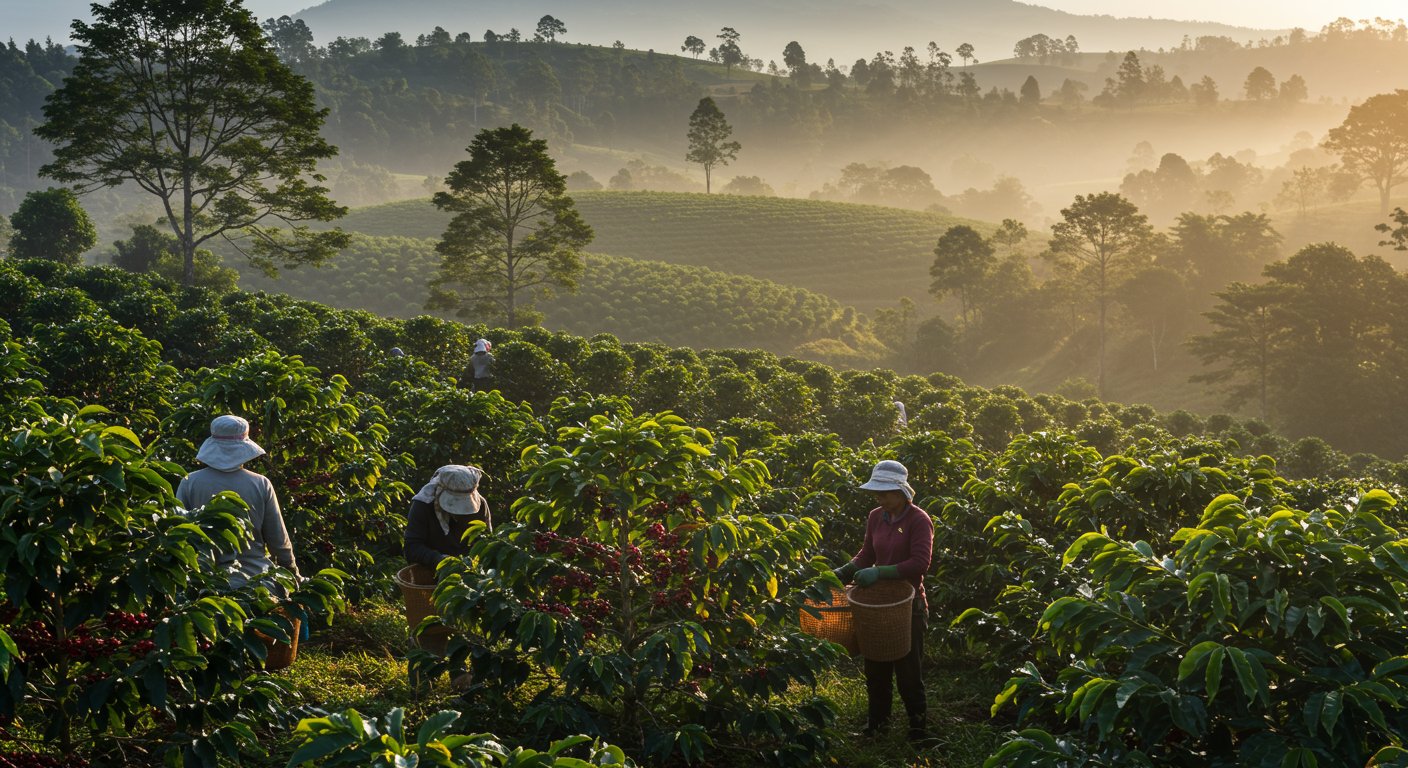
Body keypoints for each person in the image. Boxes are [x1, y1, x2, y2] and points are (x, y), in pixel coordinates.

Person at [833, 459, 934, 741]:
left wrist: (880, 572)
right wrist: (844, 571)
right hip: (877, 606)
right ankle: (877, 725)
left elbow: (920, 563)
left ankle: (918, 727)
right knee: (876, 668)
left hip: (907, 606)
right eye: (877, 492)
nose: (880, 497)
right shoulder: (876, 516)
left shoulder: (918, 520)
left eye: (885, 492)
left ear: (902, 492)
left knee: (908, 672)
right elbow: (866, 554)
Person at [176, 415, 300, 590]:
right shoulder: (260, 483)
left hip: (206, 584)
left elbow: (178, 534)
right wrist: (292, 572)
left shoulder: (190, 482)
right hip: (257, 584)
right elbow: (278, 541)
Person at [403, 465, 492, 568]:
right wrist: (439, 559)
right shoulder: (423, 504)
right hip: (431, 570)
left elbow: (485, 542)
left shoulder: (479, 504)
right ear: (441, 491)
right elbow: (411, 548)